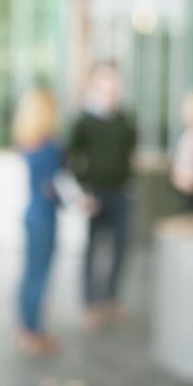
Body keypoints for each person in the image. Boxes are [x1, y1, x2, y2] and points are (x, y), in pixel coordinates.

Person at [67, 62, 136, 328]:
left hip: (121, 192)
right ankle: (89, 303)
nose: (112, 87)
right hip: (94, 194)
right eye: (107, 81)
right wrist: (82, 188)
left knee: (120, 247)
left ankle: (111, 298)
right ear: (96, 84)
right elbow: (72, 157)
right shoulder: (83, 122)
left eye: (115, 81)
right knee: (92, 248)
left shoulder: (125, 121)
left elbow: (129, 153)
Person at [12, 88, 64, 355]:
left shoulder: (28, 141)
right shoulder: (48, 146)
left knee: (30, 273)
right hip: (44, 215)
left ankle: (27, 328)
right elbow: (52, 186)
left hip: (32, 212)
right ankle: (33, 332)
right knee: (39, 276)